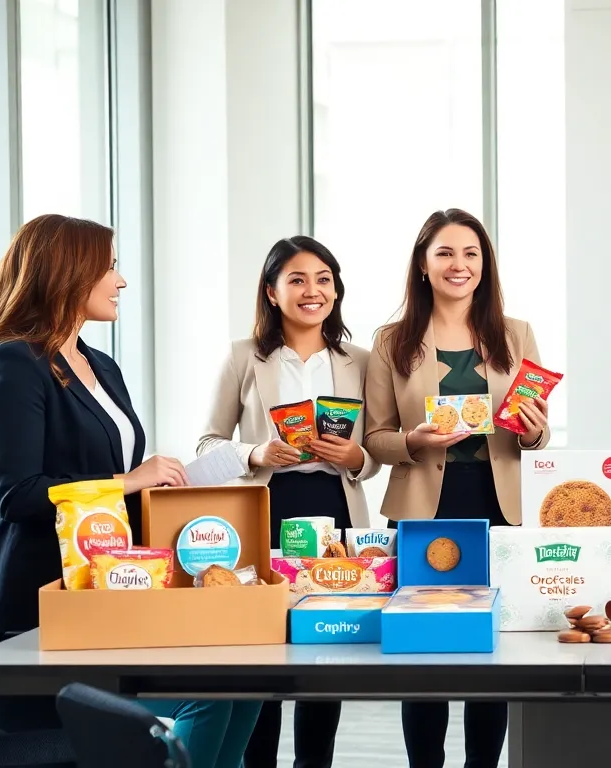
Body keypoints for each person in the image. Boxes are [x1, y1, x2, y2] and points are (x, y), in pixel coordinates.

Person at [0, 213, 261, 768]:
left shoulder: (100, 365)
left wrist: (160, 480)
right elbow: (17, 494)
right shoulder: (15, 363)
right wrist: (129, 479)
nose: (120, 281)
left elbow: (104, 477)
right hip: (44, 594)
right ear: (68, 274)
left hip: (111, 583)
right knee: (211, 689)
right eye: (111, 267)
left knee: (241, 682)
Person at [363, 208, 550, 768]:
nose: (458, 265)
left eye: (471, 254)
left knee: (488, 652)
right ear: (423, 265)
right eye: (444, 253)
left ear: (485, 265)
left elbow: (535, 435)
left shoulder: (515, 334)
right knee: (424, 655)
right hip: (424, 509)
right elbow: (375, 438)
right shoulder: (392, 340)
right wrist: (415, 441)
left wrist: (536, 430)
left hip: (499, 508)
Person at [199, 235, 379, 768]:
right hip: (266, 507)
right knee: (265, 644)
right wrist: (256, 451)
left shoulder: (362, 361)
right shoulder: (243, 357)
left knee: (325, 648)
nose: (312, 291)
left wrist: (354, 457)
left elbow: (376, 452)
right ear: (272, 292)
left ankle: (314, 762)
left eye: (324, 280)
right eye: (297, 280)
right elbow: (208, 441)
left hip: (336, 507)